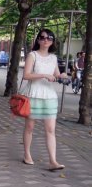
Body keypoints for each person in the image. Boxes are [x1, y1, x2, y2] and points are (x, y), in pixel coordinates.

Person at [22, 29, 68, 171]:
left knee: (50, 130)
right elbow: (26, 75)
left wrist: (62, 76)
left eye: (49, 38)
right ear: (38, 40)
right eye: (42, 38)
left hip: (50, 97)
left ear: (53, 41)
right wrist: (43, 75)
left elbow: (56, 75)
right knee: (30, 127)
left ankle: (53, 161)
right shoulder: (32, 55)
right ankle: (27, 154)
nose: (45, 40)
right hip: (34, 95)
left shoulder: (53, 58)